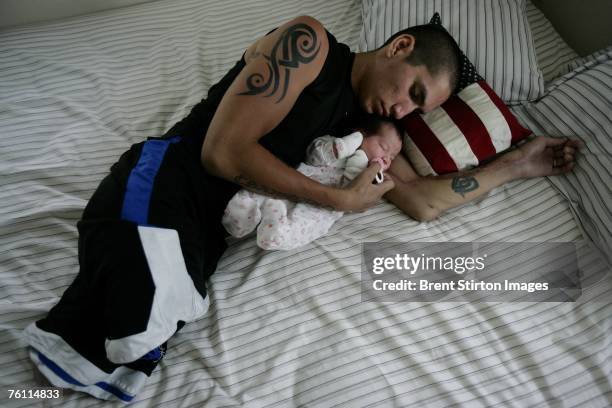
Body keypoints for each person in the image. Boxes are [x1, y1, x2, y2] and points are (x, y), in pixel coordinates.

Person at [23, 15, 581, 402]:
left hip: (204, 234)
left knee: (132, 350)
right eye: (413, 93)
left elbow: (420, 202)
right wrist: (340, 199)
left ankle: (35, 382)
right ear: (400, 47)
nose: (404, 112)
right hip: (165, 180)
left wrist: (519, 164)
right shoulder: (309, 45)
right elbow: (221, 153)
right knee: (135, 311)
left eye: (418, 111)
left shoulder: (364, 131)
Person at [223, 114, 403, 250]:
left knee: (308, 224)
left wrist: (371, 172)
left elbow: (358, 200)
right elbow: (314, 155)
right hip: (298, 180)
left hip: (322, 208)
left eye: (391, 157)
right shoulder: (336, 144)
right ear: (362, 134)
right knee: (261, 189)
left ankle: (277, 228)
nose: (385, 158)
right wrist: (346, 145)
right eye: (383, 148)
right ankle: (240, 217)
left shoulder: (370, 175)